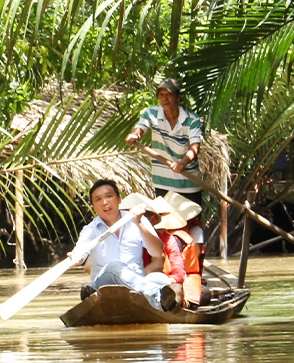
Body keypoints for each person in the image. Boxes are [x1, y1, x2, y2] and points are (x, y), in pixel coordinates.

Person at [69, 179, 177, 312]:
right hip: (103, 284)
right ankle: (155, 296)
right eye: (98, 199)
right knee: (115, 266)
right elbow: (80, 249)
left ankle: (151, 293)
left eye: (109, 196)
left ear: (119, 199)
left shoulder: (137, 220)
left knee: (161, 279)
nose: (105, 202)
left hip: (134, 283)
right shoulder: (91, 229)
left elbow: (157, 252)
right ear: (93, 207)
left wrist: (139, 224)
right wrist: (76, 256)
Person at [124, 78, 203, 207]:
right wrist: (134, 135)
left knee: (192, 225)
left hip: (188, 182)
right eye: (162, 95)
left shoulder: (191, 119)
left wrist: (182, 163)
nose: (165, 99)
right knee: (165, 224)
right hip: (162, 182)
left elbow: (195, 147)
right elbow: (140, 129)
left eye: (169, 95)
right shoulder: (151, 113)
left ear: (178, 97)